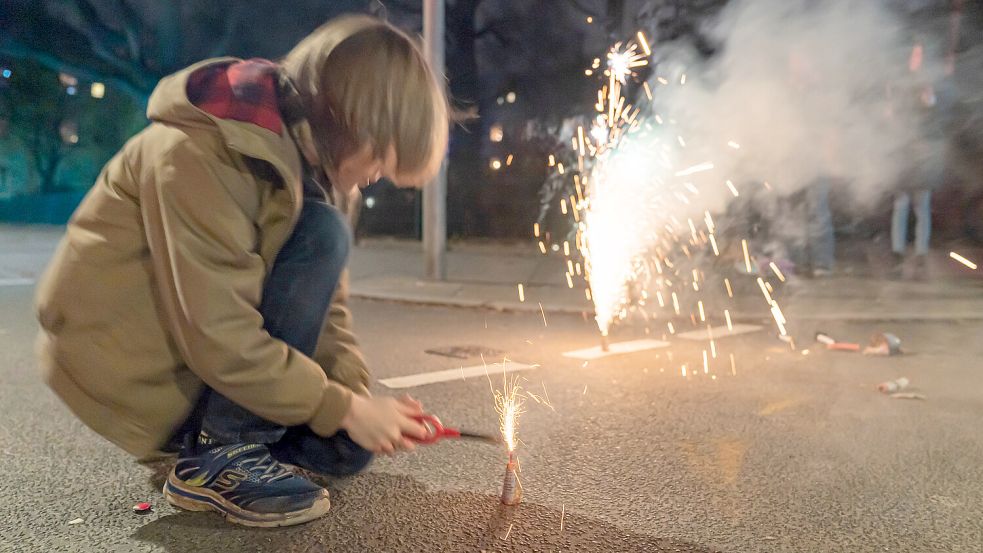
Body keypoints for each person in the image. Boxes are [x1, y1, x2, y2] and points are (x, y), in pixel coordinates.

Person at [35, 15, 449, 527]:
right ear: (349, 119)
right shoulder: (198, 152)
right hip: (130, 359)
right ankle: (217, 455)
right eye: (379, 158)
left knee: (346, 449)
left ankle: (242, 441)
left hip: (204, 357)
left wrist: (356, 401)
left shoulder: (310, 166)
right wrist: (340, 406)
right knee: (326, 234)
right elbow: (216, 330)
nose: (374, 178)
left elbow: (328, 315)